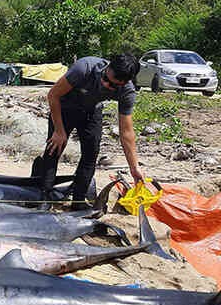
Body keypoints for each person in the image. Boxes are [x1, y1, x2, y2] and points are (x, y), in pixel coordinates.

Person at [37, 54, 145, 210]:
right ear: (107, 67)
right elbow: (53, 95)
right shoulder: (84, 68)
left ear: (125, 82)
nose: (106, 85)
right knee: (54, 148)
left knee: (91, 154)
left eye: (113, 86)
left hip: (91, 111)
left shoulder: (127, 92)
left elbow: (126, 132)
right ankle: (44, 197)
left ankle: (78, 201)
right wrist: (59, 131)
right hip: (64, 108)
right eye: (105, 79)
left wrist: (134, 168)